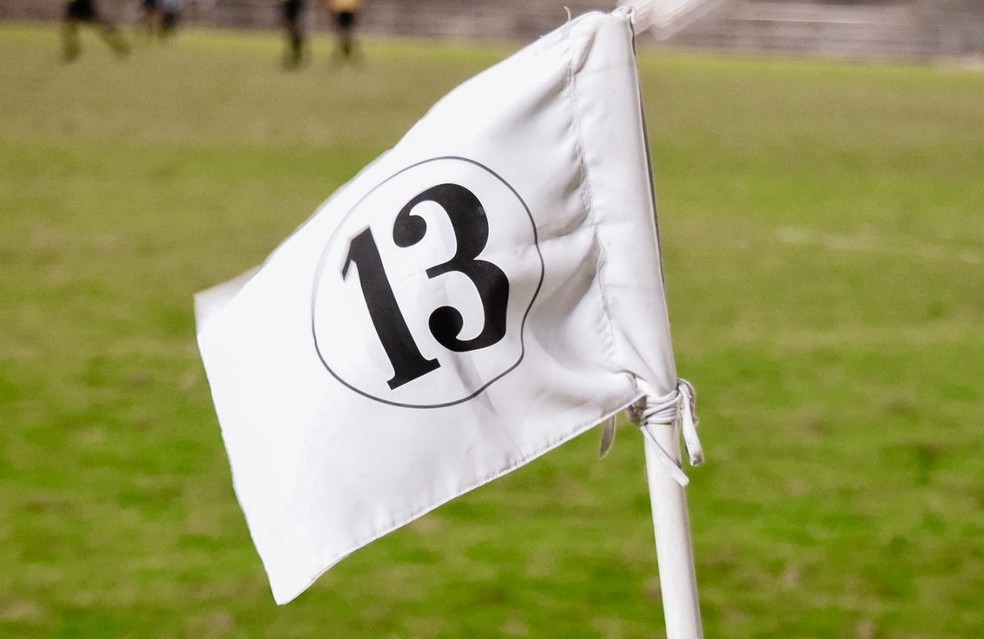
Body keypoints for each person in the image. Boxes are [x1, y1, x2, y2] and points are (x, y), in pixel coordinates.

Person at [61, 0, 130, 61]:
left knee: (100, 27)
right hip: (76, 4)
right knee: (69, 27)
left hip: (81, 4)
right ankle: (72, 51)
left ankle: (119, 46)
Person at [280, 0, 307, 69]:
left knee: (295, 29)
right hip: (289, 5)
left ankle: (297, 53)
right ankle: (296, 53)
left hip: (294, 4)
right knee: (291, 30)